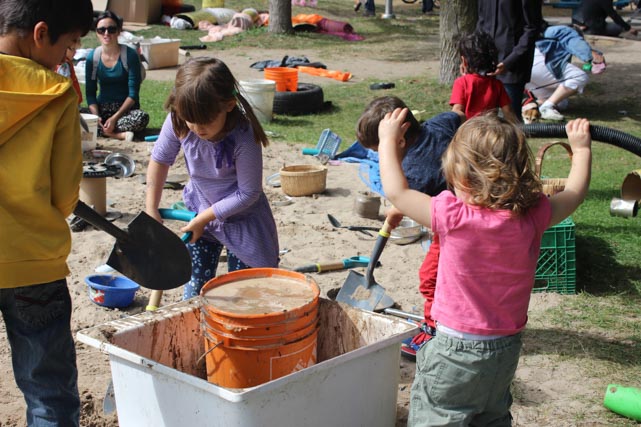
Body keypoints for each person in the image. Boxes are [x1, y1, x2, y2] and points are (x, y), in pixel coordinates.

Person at [377, 110, 592, 426]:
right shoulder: (533, 217)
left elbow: (397, 191)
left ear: (461, 176)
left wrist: (387, 142)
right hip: (505, 349)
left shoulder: (454, 216)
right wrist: (582, 150)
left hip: (455, 350)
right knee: (490, 416)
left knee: (439, 415)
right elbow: (574, 193)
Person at [0, 0, 93, 425]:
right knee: (48, 392)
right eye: (69, 45)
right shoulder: (56, 95)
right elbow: (64, 196)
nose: (68, 57)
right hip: (34, 266)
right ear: (41, 34)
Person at [145, 57, 280, 300]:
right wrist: (151, 207)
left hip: (242, 218)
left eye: (205, 121)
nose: (196, 128)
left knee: (244, 292)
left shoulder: (242, 135)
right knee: (196, 286)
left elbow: (248, 193)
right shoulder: (179, 121)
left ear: (228, 105)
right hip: (200, 210)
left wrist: (204, 218)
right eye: (190, 119)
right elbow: (160, 160)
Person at [356, 96, 465, 358]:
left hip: (454, 227)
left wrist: (394, 213)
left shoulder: (415, 169)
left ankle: (433, 330)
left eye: (379, 149)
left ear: (400, 140)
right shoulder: (440, 124)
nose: (377, 155)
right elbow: (457, 116)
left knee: (431, 278)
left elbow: (402, 198)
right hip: (467, 208)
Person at [85, 11, 149, 141]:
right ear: (96, 33)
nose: (106, 34)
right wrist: (96, 117)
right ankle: (115, 133)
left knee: (141, 117)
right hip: (102, 109)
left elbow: (133, 95)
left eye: (111, 29)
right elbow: (90, 93)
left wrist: (115, 118)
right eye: (101, 30)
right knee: (76, 115)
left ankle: (104, 131)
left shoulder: (130, 55)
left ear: (119, 31)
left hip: (125, 110)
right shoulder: (93, 57)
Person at [477, 0, 544, 122]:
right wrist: (474, 56)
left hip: (512, 66)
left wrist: (509, 60)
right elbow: (481, 23)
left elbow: (532, 28)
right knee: (484, 119)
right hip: (486, 63)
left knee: (510, 121)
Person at [526, 24, 605, 121]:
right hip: (536, 63)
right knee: (579, 76)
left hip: (526, 73)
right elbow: (577, 44)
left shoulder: (546, 32)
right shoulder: (567, 30)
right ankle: (546, 108)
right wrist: (592, 57)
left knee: (561, 102)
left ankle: (532, 106)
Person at [450, 31, 517, 123]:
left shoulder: (461, 83)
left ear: (464, 61)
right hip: (491, 131)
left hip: (469, 132)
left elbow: (457, 110)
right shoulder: (497, 85)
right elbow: (508, 111)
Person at [56, 40, 83, 105]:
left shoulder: (60, 62)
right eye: (72, 49)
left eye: (75, 49)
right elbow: (66, 86)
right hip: (70, 104)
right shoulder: (64, 65)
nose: (75, 52)